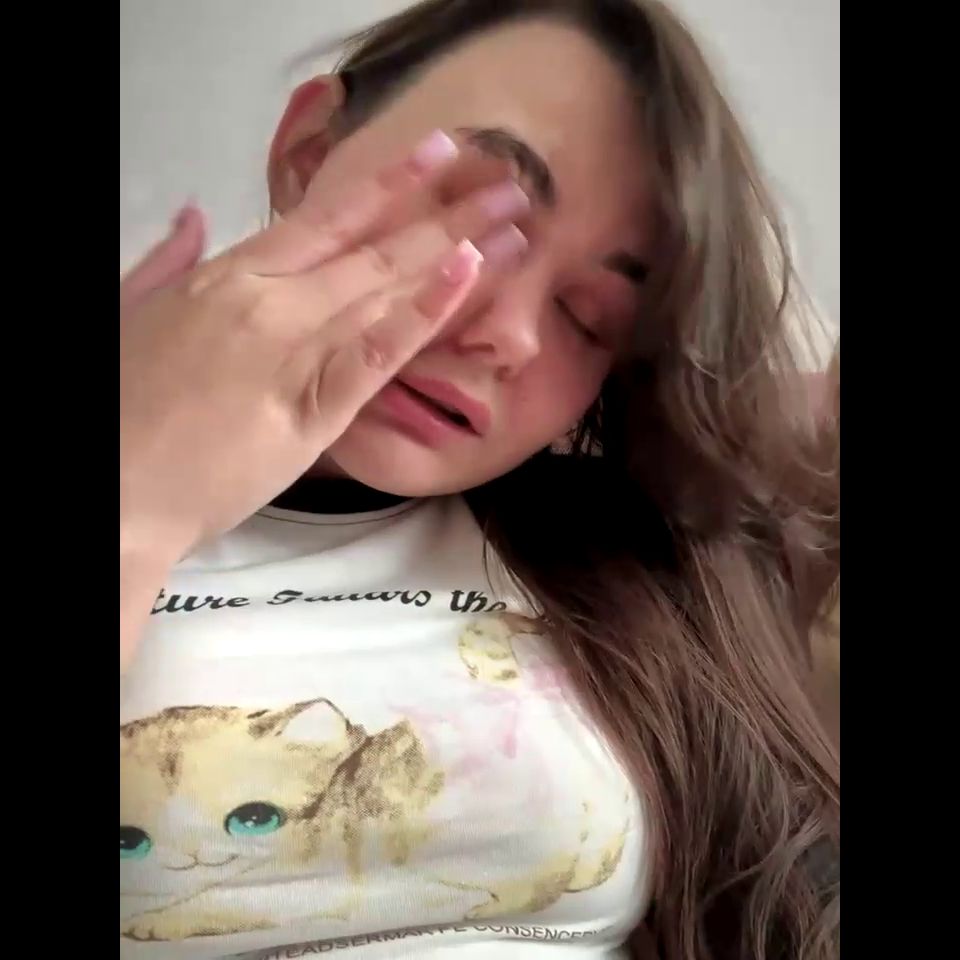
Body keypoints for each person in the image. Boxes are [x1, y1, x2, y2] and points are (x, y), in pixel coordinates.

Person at [119, 2, 840, 958]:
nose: (509, 334)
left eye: (591, 316)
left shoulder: (630, 565)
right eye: (473, 220)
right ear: (308, 153)